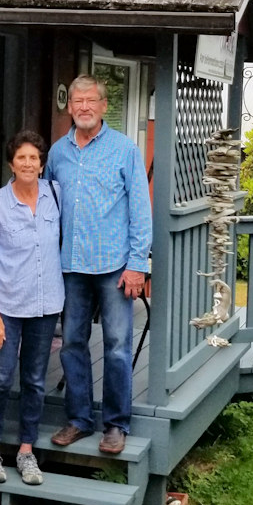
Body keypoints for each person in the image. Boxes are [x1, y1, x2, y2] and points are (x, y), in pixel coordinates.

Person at [45, 75, 152, 455]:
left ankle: (115, 425)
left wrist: (137, 265)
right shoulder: (57, 154)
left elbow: (140, 210)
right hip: (71, 266)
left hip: (113, 266)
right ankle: (78, 420)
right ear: (70, 107)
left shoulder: (125, 150)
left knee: (118, 346)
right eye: (78, 101)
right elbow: (47, 209)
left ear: (104, 105)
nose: (84, 107)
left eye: (91, 100)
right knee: (72, 344)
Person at [0, 131, 64, 485]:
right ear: (11, 163)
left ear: (42, 164)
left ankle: (27, 450)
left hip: (46, 305)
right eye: (21, 158)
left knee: (35, 380)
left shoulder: (55, 196)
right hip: (7, 307)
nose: (28, 163)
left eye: (34, 158)